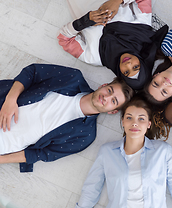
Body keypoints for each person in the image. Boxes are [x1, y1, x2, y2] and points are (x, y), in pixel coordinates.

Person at [0, 63, 134, 172]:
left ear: (112, 111)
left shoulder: (85, 136)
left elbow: (41, 154)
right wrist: (11, 100)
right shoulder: (72, 78)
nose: (106, 97)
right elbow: (33, 72)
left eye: (114, 101)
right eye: (109, 91)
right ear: (103, 86)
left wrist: (2, 160)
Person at [53, 0, 168, 90]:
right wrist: (117, 0)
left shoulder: (95, 57)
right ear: (142, 62)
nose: (128, 64)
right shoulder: (142, 29)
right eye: (135, 67)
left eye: (126, 72)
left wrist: (85, 21)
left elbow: (64, 39)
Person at [75, 94, 172, 208]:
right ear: (123, 121)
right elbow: (91, 189)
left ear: (149, 124)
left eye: (141, 119)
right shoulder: (107, 152)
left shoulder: (162, 151)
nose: (134, 123)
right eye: (129, 117)